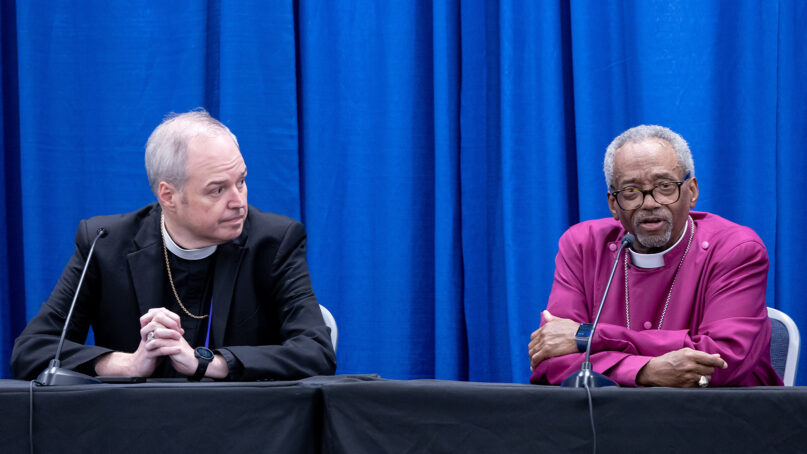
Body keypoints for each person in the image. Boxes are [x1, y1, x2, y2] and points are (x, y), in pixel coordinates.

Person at [11, 109, 336, 381]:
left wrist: (210, 362)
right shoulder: (106, 244)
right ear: (168, 195)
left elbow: (316, 352)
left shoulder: (275, 242)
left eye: (241, 180)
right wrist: (127, 364)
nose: (239, 202)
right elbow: (33, 350)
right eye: (217, 190)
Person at [528, 125, 782, 387]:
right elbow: (551, 358)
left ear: (692, 191)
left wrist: (589, 337)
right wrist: (645, 371)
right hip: (609, 421)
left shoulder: (735, 249)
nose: (650, 203)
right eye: (630, 191)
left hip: (718, 418)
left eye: (665, 186)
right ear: (613, 204)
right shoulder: (582, 246)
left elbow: (721, 361)